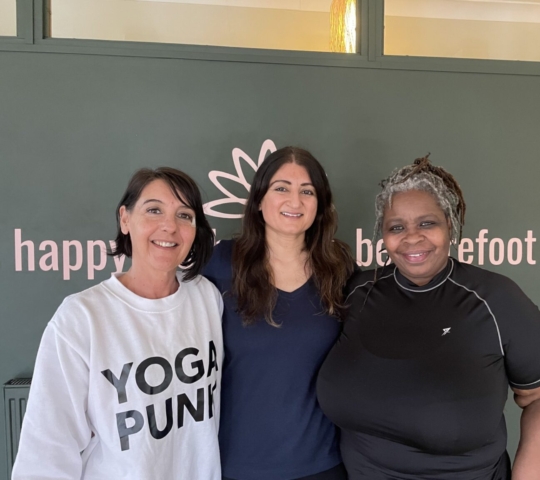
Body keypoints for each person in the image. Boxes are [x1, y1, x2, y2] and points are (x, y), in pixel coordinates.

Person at [317, 155, 540, 480]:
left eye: (427, 223)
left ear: (450, 224)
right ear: (382, 235)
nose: (412, 237)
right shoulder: (357, 292)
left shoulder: (496, 300)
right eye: (396, 227)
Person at [12, 167, 224, 480]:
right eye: (154, 210)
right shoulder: (81, 318)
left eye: (184, 215)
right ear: (125, 219)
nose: (169, 226)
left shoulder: (206, 297)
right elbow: (47, 451)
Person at [203, 146, 354, 480]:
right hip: (238, 465)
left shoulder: (339, 268)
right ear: (259, 199)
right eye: (281, 188)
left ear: (320, 204)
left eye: (307, 191)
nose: (295, 201)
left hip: (323, 464)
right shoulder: (220, 263)